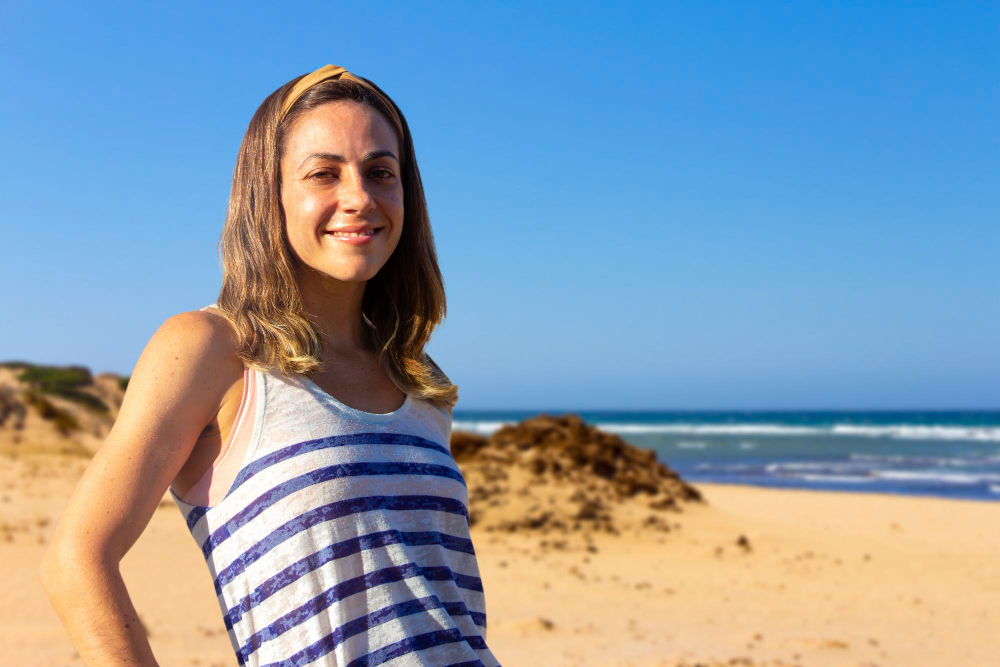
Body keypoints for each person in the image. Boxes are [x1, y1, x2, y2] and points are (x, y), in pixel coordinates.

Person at [40, 65, 500, 667]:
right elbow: (77, 558)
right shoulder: (212, 349)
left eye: (381, 172)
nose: (360, 196)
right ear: (269, 193)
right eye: (324, 173)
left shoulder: (418, 380)